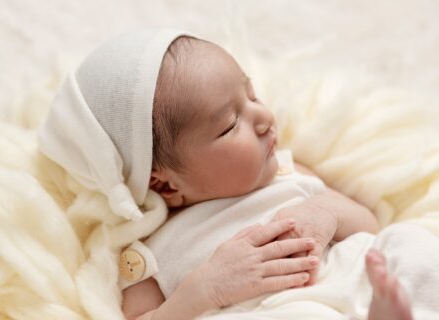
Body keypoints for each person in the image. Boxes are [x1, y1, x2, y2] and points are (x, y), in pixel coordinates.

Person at [38, 29, 433, 320]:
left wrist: (326, 214)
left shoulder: (291, 172)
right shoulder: (147, 250)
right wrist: (205, 288)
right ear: (164, 183)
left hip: (356, 277)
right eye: (229, 125)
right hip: (277, 309)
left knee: (410, 242)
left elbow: (370, 223)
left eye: (252, 95)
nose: (263, 118)